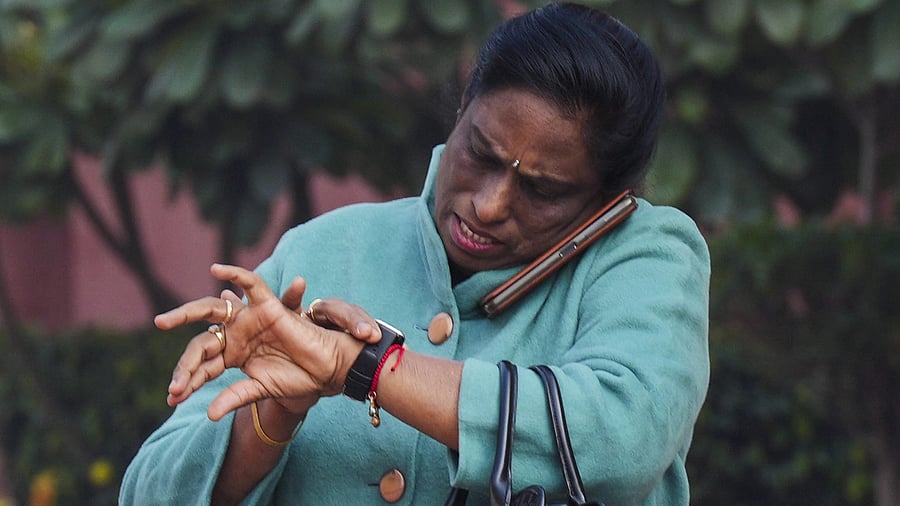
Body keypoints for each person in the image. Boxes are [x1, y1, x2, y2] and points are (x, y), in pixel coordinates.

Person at [120, 3, 710, 505]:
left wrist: (367, 365)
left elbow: (623, 432)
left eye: (543, 189)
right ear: (460, 114)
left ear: (609, 200)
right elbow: (148, 492)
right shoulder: (324, 248)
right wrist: (275, 413)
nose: (488, 204)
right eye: (479, 152)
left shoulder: (646, 258)